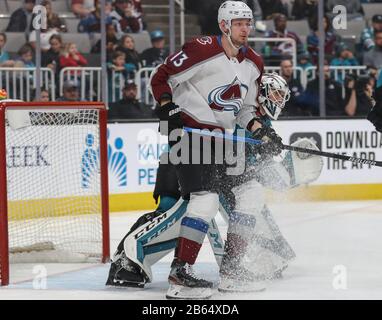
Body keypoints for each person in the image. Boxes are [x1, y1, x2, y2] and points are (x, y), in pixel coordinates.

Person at [105, 74, 323, 295]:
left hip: (213, 169)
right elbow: (239, 163)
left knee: (247, 199)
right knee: (183, 214)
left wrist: (284, 171)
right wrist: (281, 170)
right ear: (263, 93)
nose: (279, 101)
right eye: (276, 94)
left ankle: (266, 254)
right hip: (181, 163)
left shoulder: (259, 121)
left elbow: (246, 169)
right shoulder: (241, 110)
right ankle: (128, 260)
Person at [148, 1, 290, 299]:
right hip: (191, 135)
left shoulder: (254, 63)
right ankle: (180, 273)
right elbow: (160, 77)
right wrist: (167, 107)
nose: (245, 29)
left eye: (248, 23)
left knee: (251, 193)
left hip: (223, 141)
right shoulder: (201, 49)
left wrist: (262, 132)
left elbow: (246, 111)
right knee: (206, 201)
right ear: (224, 25)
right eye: (239, 23)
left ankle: (232, 271)